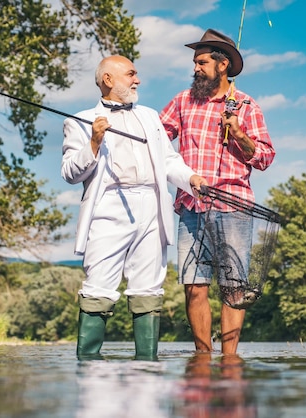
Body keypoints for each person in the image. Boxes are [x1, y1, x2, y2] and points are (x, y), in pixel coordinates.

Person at [61, 55, 207, 361]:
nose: (137, 79)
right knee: (98, 285)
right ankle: (88, 369)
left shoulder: (151, 117)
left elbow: (169, 160)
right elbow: (71, 173)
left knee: (149, 287)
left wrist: (189, 177)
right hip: (108, 207)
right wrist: (94, 142)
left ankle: (147, 371)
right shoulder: (79, 121)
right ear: (108, 80)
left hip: (152, 205)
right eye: (131, 74)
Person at [160, 29, 275, 355]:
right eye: (195, 63)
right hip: (191, 206)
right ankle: (201, 359)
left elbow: (265, 157)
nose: (195, 68)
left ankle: (229, 361)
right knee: (194, 289)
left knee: (233, 290)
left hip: (235, 208)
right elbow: (153, 136)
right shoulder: (183, 101)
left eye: (202, 62)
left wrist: (238, 133)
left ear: (222, 65)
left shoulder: (247, 105)